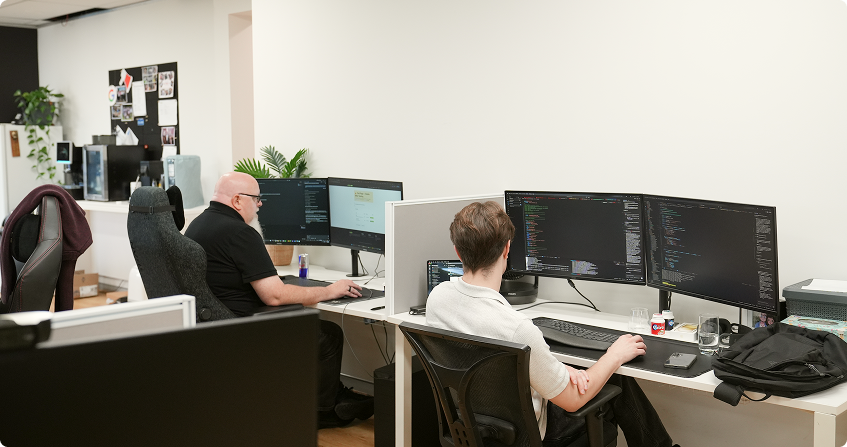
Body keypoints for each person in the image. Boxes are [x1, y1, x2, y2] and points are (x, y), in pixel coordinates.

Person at [426, 201, 679, 447]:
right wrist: (613, 355)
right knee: (616, 378)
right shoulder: (518, 329)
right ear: (506, 250)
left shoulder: (437, 298)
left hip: (475, 427)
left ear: (458, 252)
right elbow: (572, 400)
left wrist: (558, 368)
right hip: (533, 435)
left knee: (587, 370)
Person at [185, 172, 373, 429]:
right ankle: (324, 411)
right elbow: (274, 295)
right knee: (328, 334)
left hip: (216, 325)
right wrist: (329, 290)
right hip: (244, 327)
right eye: (257, 199)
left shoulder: (198, 224)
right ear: (238, 200)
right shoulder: (240, 232)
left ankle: (325, 399)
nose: (260, 204)